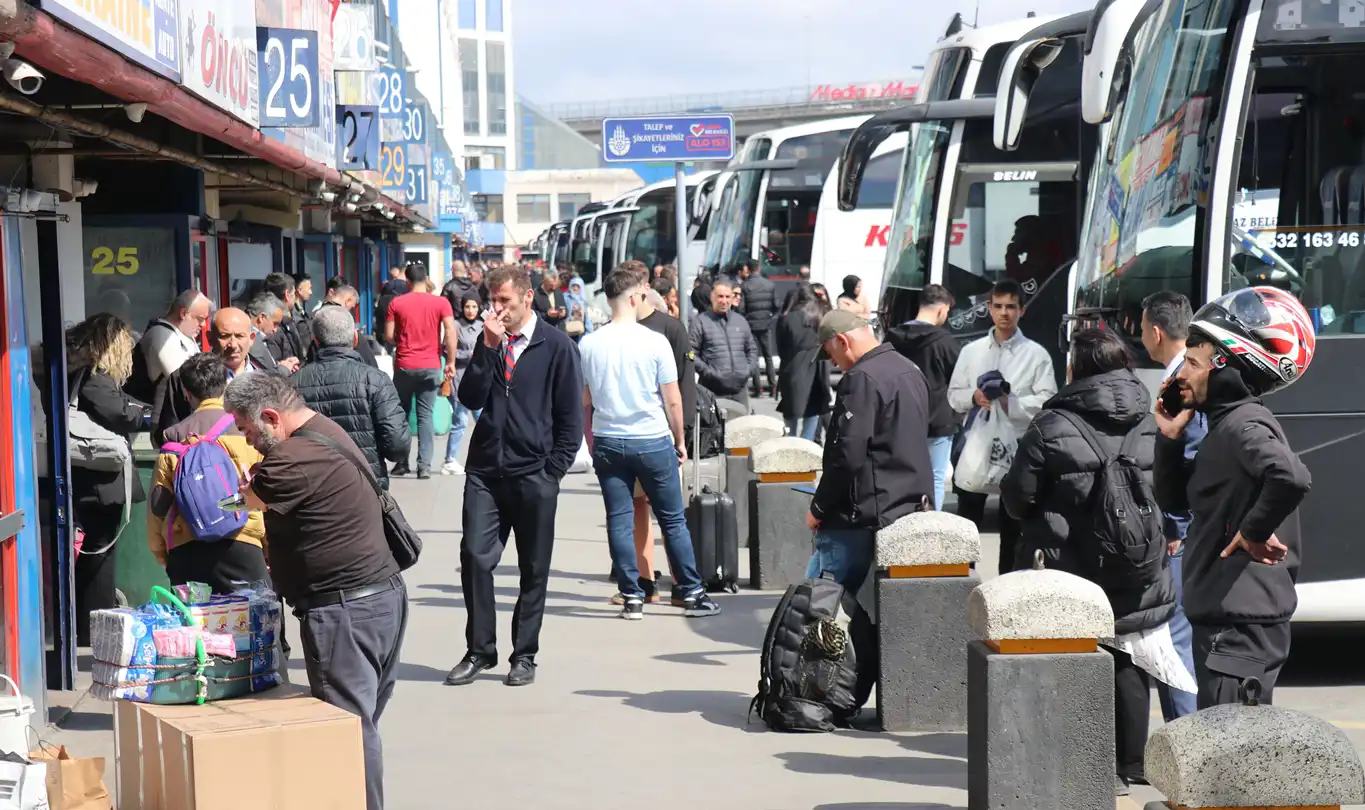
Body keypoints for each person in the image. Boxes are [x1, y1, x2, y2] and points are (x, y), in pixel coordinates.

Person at [1000, 328, 1175, 790]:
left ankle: (1088, 760)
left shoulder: (1051, 424)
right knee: (1129, 654)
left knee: (1078, 656)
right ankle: (1132, 762)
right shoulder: (1151, 416)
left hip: (1070, 561)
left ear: (1076, 368)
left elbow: (1018, 498)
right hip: (1138, 557)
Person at [227, 374, 406, 810]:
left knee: (347, 732)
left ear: (272, 416)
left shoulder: (289, 458)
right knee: (359, 725)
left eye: (250, 432)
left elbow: (243, 498)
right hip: (382, 599)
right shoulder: (326, 430)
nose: (250, 443)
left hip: (343, 612)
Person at [1153, 287, 1313, 709]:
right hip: (1224, 618)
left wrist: (1252, 531)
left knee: (1233, 763)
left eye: (1191, 363)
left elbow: (1291, 476)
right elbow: (1174, 502)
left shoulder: (1244, 424)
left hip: (1239, 628)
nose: (1179, 376)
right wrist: (1168, 439)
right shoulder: (1222, 426)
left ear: (1223, 367)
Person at [447, 265, 583, 688]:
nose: (497, 309)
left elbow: (570, 418)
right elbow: (469, 398)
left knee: (533, 568)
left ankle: (524, 655)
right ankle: (479, 651)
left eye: (505, 301)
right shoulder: (490, 341)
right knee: (474, 557)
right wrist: (486, 349)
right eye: (494, 301)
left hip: (534, 473)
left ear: (527, 298)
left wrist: (552, 472)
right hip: (486, 471)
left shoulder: (556, 346)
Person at [806, 309, 933, 710]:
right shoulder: (908, 369)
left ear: (842, 341)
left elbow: (847, 455)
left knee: (821, 606)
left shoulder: (860, 379)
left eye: (830, 354)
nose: (833, 364)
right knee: (883, 614)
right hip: (908, 506)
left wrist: (818, 505)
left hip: (860, 514)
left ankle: (826, 695)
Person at [581, 264, 721, 620]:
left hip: (609, 439)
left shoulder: (589, 344)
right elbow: (673, 399)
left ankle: (632, 595)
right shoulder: (655, 341)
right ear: (633, 297)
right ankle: (690, 592)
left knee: (619, 518)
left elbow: (585, 403)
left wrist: (592, 441)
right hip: (651, 438)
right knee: (672, 519)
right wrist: (680, 438)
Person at [948, 279, 1056, 574]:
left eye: (1011, 306)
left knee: (1013, 530)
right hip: (976, 445)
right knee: (966, 526)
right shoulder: (971, 351)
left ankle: (1005, 592)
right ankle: (960, 584)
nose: (1004, 313)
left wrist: (1009, 401)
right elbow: (954, 395)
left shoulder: (1037, 355)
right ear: (989, 309)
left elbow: (1047, 401)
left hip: (1017, 450)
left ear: (1022, 310)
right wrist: (975, 396)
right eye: (998, 306)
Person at [148, 353, 268, 592]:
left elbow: (158, 505)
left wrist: (160, 551)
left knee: (194, 627)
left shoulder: (174, 439)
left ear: (186, 392)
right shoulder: (248, 433)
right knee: (256, 624)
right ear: (226, 385)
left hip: (187, 550)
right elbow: (267, 494)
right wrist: (268, 548)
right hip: (243, 544)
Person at [68, 314, 152, 642]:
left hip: (95, 476)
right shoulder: (93, 378)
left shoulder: (85, 376)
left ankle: (93, 622)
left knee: (99, 552)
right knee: (99, 553)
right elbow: (121, 413)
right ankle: (94, 626)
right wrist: (149, 414)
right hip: (99, 479)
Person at [1140, 291, 1204, 721]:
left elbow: (1187, 456)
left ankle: (1186, 741)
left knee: (1174, 636)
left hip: (1181, 533)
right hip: (1188, 528)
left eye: (1142, 329)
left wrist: (1176, 529)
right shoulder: (1190, 373)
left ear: (1156, 332)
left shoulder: (1178, 381)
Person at [292, 306, 411, 490]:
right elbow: (397, 445)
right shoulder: (375, 380)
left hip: (313, 487)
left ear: (316, 340)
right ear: (355, 338)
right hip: (366, 485)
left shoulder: (294, 383)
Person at [887, 284, 962, 510]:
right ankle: (931, 527)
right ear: (941, 310)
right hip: (938, 420)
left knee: (905, 477)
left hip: (901, 419)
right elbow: (960, 378)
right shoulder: (945, 342)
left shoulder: (893, 338)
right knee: (936, 478)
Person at [152, 308, 277, 444]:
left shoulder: (270, 379)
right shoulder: (184, 378)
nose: (233, 345)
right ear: (210, 338)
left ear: (252, 339)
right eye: (225, 336)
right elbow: (168, 434)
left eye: (240, 336)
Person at [384, 263, 458, 479]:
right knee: (426, 416)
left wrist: (405, 340)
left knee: (403, 415)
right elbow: (451, 332)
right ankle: (424, 466)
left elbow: (389, 336)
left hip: (405, 365)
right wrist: (450, 361)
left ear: (407, 281)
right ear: (426, 279)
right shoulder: (441, 303)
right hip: (431, 364)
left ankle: (401, 463)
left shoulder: (396, 303)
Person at [128, 289, 212, 402]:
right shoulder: (162, 335)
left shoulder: (183, 334)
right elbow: (184, 383)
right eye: (200, 319)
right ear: (183, 313)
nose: (203, 325)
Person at [775, 283, 831, 441]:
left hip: (793, 367)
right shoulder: (819, 316)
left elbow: (781, 349)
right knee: (812, 410)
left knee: (791, 410)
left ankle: (790, 441)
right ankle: (807, 442)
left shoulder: (786, 318)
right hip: (818, 366)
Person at [689, 279, 758, 408]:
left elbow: (752, 349)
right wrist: (709, 372)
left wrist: (747, 370)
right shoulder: (700, 322)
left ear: (732, 298)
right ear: (712, 297)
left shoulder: (741, 321)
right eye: (720, 296)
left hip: (740, 391)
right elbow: (691, 354)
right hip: (713, 391)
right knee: (715, 428)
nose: (724, 301)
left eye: (728, 297)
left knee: (741, 427)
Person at [441, 295, 485, 476]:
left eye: (474, 306)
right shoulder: (456, 326)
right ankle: (449, 460)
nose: (471, 310)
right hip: (461, 377)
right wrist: (469, 355)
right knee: (460, 420)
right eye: (468, 306)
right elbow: (446, 348)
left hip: (479, 379)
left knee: (483, 420)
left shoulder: (483, 325)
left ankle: (484, 457)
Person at [308, 284, 379, 368]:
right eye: (351, 307)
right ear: (348, 301)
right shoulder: (349, 328)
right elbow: (371, 365)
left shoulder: (311, 319)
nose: (349, 311)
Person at [740, 258, 779, 397]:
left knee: (754, 357)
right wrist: (769, 317)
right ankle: (773, 386)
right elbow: (776, 305)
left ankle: (758, 388)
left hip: (751, 325)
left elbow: (741, 308)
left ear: (748, 269)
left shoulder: (745, 286)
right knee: (768, 356)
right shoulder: (770, 284)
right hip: (766, 324)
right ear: (759, 268)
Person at [263, 273, 308, 366]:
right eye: (294, 293)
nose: (295, 298)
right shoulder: (274, 328)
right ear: (287, 295)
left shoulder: (287, 321)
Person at [245, 293, 297, 374]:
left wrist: (281, 365)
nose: (275, 330)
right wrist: (283, 369)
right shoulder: (247, 338)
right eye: (275, 323)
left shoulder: (258, 337)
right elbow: (266, 374)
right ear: (262, 317)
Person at [563, 275, 594, 340]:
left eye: (578, 286)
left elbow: (587, 318)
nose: (575, 288)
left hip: (580, 330)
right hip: (568, 327)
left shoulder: (583, 300)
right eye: (573, 286)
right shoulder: (565, 297)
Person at [291, 273, 316, 351]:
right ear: (299, 290)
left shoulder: (300, 309)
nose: (310, 292)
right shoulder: (292, 312)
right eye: (309, 288)